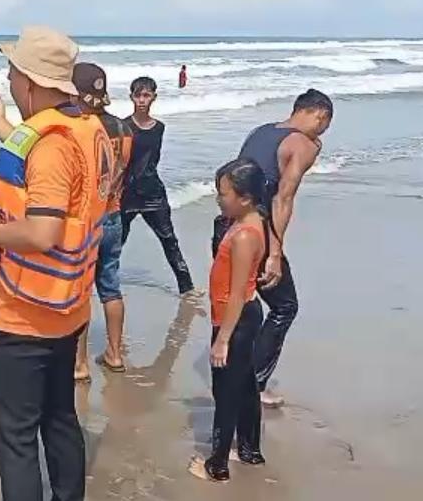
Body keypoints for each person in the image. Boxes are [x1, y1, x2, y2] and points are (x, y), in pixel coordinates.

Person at [0, 25, 113, 501]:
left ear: (30, 81)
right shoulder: (88, 128)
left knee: (16, 440)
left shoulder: (50, 143)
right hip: (68, 309)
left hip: (27, 319)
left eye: (11, 73)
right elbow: (58, 178)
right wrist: (2, 127)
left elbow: (42, 232)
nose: (8, 82)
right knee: (59, 418)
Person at [224, 88, 333, 408]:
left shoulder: (261, 131)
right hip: (255, 234)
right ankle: (253, 386)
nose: (323, 133)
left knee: (243, 305)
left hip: (226, 228)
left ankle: (231, 374)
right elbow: (282, 199)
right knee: (285, 307)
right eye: (325, 126)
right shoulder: (301, 144)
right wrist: (273, 253)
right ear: (320, 116)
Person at [189, 158, 269, 483]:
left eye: (223, 194)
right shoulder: (250, 220)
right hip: (244, 315)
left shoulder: (244, 236)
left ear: (245, 198)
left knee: (226, 392)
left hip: (235, 319)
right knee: (246, 385)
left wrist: (222, 339)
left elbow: (236, 294)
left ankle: (217, 465)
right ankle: (250, 449)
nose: (218, 199)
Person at [69, 62, 133, 380]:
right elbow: (122, 170)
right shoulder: (123, 129)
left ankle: (79, 364)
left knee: (81, 292)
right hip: (114, 213)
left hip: (87, 217)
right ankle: (115, 353)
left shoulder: (80, 128)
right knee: (110, 287)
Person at [120, 76, 198, 300]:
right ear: (131, 97)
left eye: (146, 95)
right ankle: (95, 284)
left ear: (154, 97)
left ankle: (187, 288)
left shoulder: (159, 128)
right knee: (115, 243)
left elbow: (153, 160)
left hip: (153, 192)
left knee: (169, 240)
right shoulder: (123, 127)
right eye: (137, 95)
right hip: (127, 193)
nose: (141, 100)